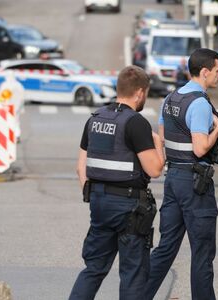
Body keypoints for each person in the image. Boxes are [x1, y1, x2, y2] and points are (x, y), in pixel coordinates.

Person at [70, 65, 165, 300]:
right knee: (133, 274)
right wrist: (158, 144)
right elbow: (154, 169)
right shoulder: (136, 123)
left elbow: (81, 167)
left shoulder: (95, 119)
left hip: (99, 203)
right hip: (129, 207)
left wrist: (94, 194)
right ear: (140, 92)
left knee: (94, 269)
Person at [146, 48, 218, 300]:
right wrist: (217, 129)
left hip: (174, 179)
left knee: (165, 248)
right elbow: (200, 148)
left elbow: (162, 138)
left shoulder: (170, 99)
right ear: (205, 72)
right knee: (202, 253)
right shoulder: (199, 104)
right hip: (195, 183)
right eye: (217, 70)